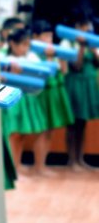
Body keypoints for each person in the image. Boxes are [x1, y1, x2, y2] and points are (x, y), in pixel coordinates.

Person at [1, 27, 49, 180]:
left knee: (21, 135)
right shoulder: (2, 56)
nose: (25, 48)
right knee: (13, 135)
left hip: (26, 99)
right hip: (11, 99)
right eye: (22, 44)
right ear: (12, 44)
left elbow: (39, 76)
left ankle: (17, 168)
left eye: (28, 45)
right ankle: (12, 172)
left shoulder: (32, 57)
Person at [31, 19, 74, 174]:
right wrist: (49, 58)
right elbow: (43, 74)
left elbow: (64, 72)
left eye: (50, 36)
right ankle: (38, 166)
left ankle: (43, 165)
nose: (49, 39)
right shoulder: (33, 53)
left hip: (56, 93)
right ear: (35, 36)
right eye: (45, 36)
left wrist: (60, 58)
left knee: (50, 131)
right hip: (43, 95)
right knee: (42, 131)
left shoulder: (54, 51)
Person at [60, 7, 99, 170]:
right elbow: (76, 66)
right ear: (75, 26)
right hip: (75, 85)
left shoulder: (93, 42)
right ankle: (71, 160)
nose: (86, 29)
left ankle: (80, 158)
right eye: (82, 25)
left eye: (87, 25)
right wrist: (82, 47)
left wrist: (92, 48)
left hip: (88, 85)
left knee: (82, 123)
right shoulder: (67, 42)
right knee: (72, 123)